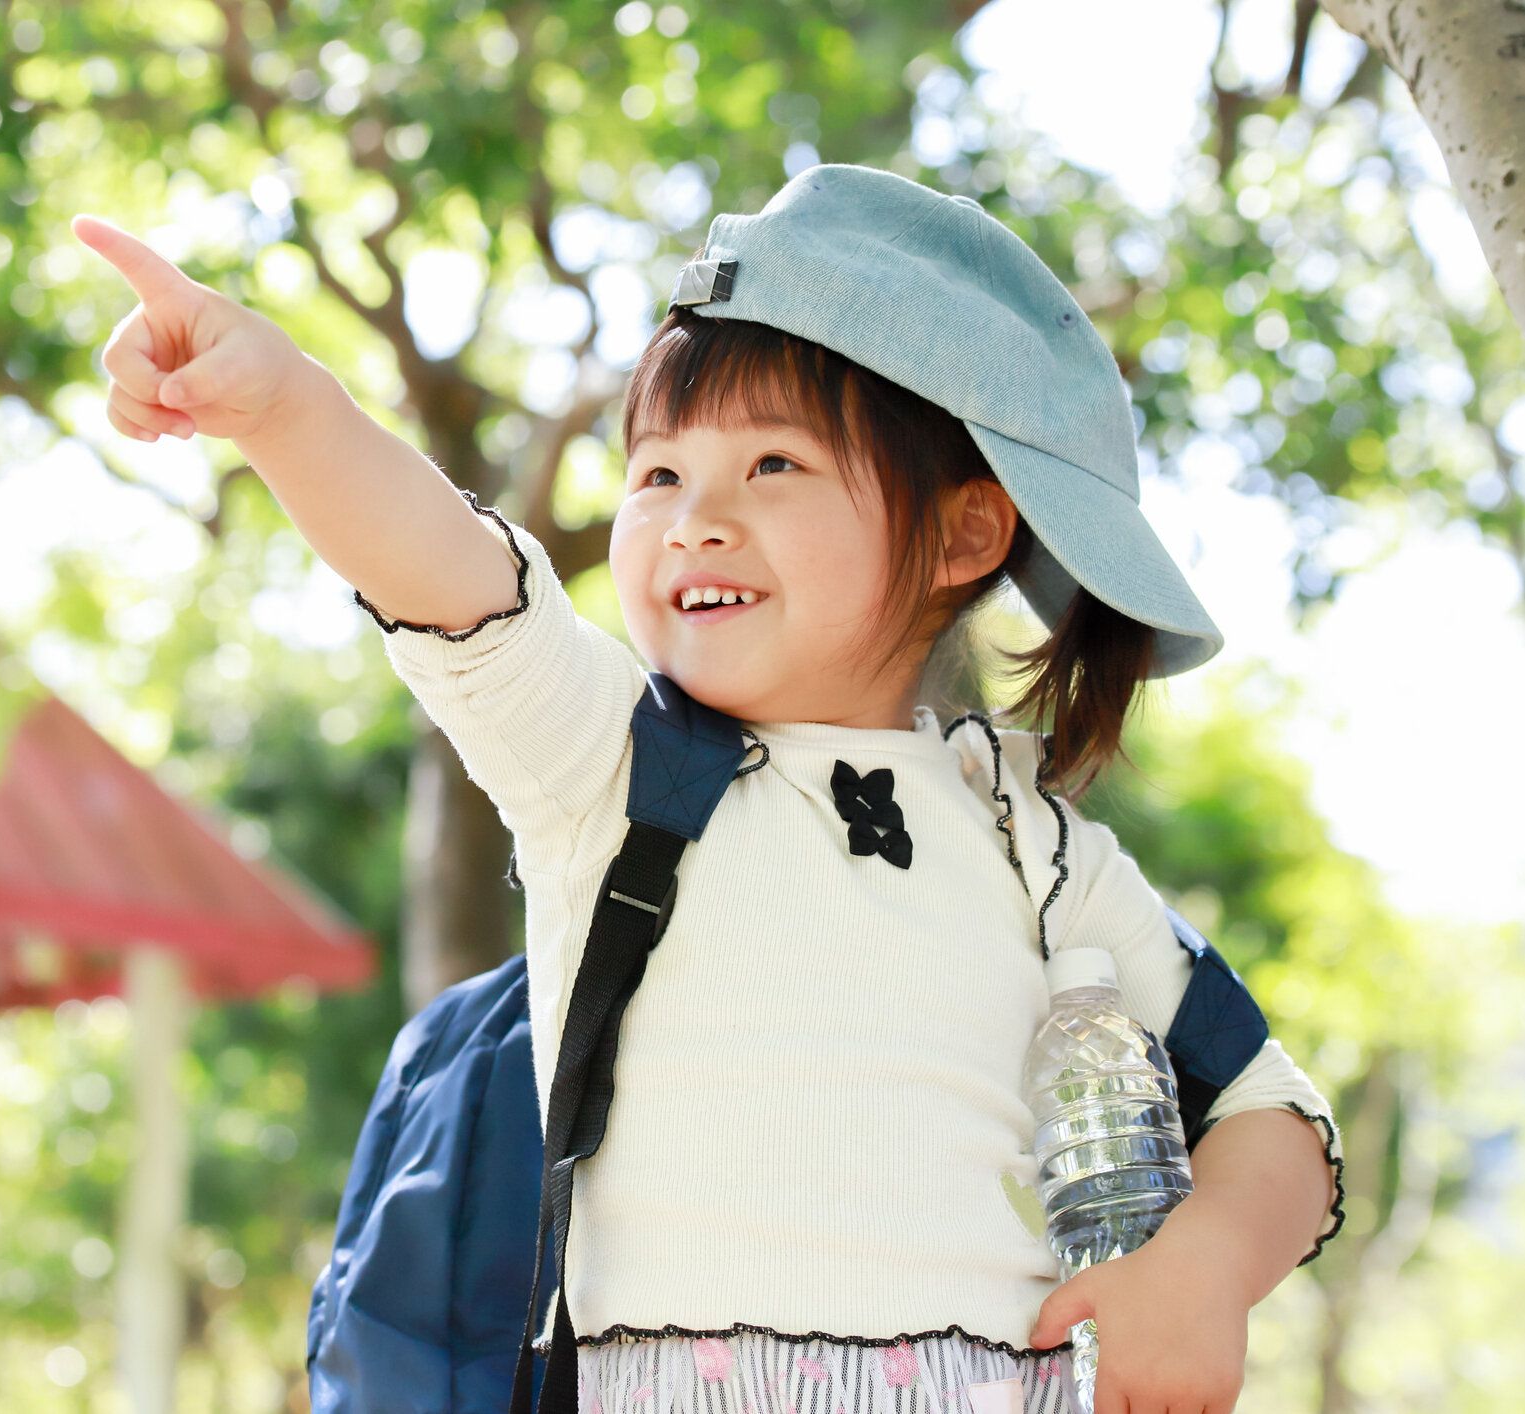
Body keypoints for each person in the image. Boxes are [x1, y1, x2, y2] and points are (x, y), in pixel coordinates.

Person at [72, 162, 1346, 1414]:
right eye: (660, 473)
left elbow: (1271, 1108)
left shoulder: (1035, 848)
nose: (695, 520)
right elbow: (445, 573)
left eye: (774, 466)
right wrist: (284, 408)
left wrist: (1205, 1271)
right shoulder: (611, 766)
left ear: (965, 531)